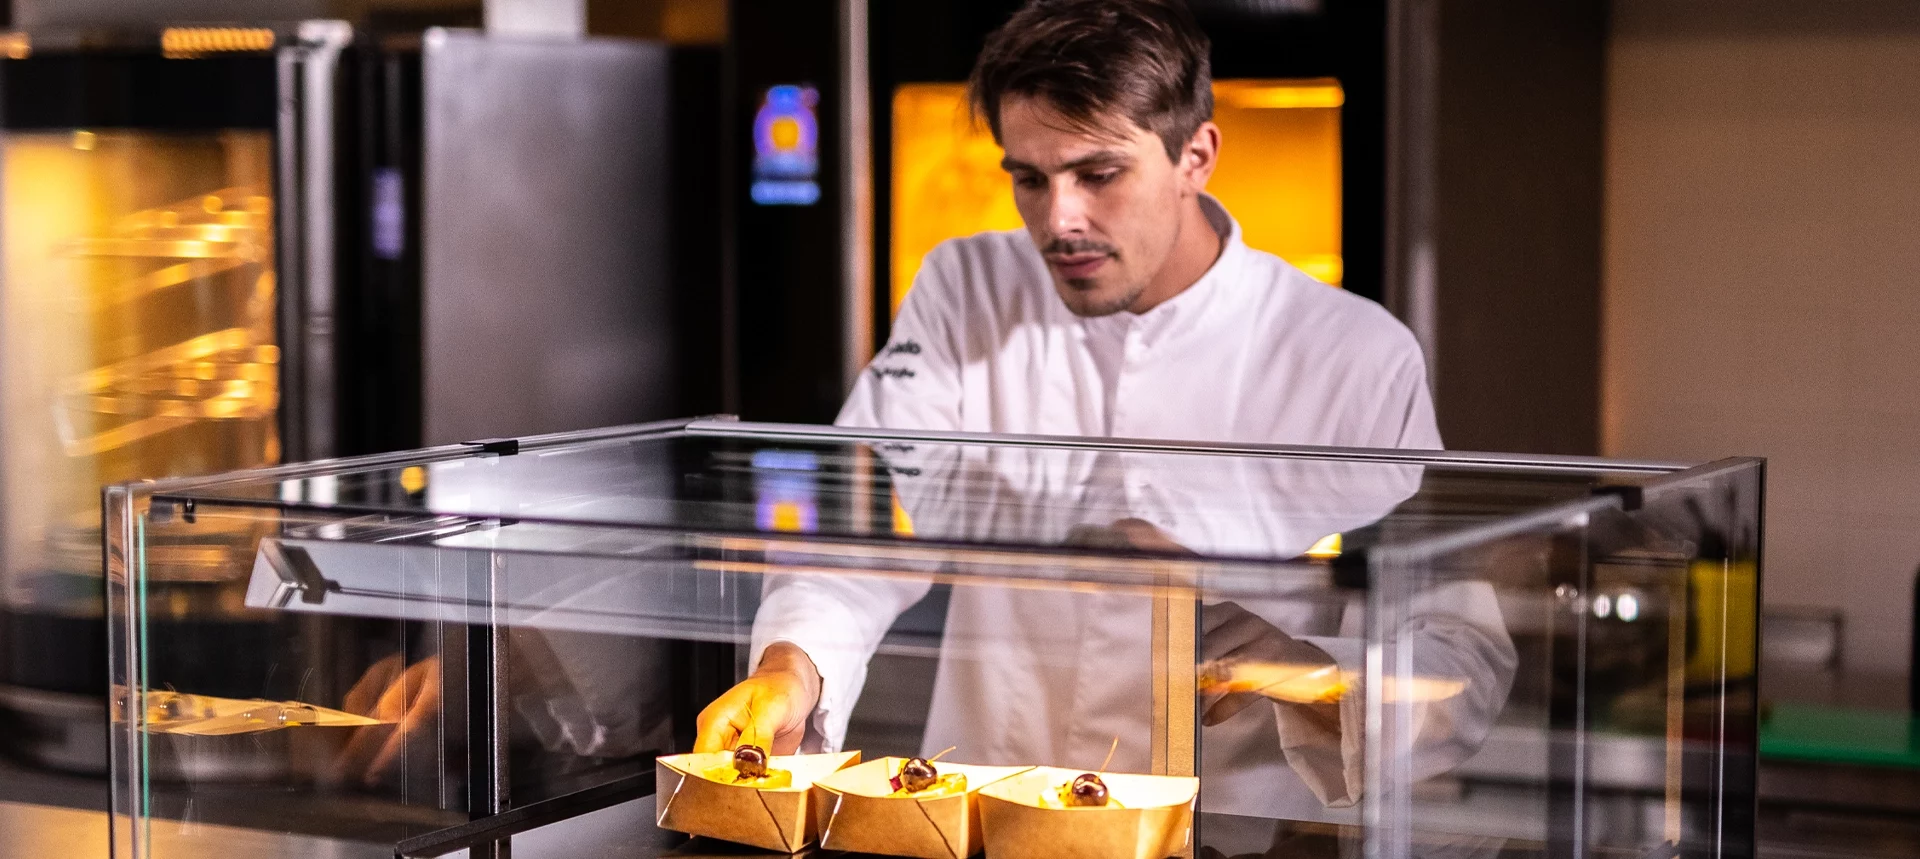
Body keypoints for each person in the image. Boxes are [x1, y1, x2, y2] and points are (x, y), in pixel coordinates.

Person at [694, 0, 1512, 820]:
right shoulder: (963, 289)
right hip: (986, 809)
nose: (1060, 220)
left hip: (1230, 828)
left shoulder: (1355, 355)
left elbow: (1462, 656)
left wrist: (1316, 674)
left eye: (1099, 173)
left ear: (1197, 155)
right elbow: (865, 524)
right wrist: (792, 665)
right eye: (1029, 177)